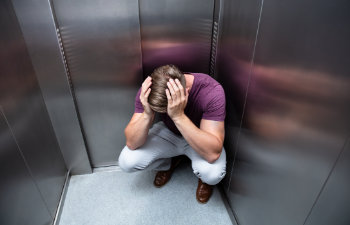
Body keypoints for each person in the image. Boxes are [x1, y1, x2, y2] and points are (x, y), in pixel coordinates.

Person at [118, 65, 227, 204]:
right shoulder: (150, 89)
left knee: (212, 174)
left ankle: (203, 179)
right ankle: (168, 164)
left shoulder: (211, 91)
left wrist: (178, 116)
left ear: (186, 91)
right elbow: (132, 143)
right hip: (168, 133)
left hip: (198, 137)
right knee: (127, 161)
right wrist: (147, 113)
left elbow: (212, 154)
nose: (164, 114)